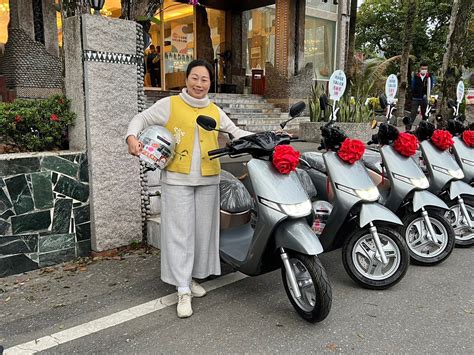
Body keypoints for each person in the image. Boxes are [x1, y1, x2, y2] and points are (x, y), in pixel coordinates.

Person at [126, 59, 251, 319]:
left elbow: (235, 131)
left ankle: (191, 278)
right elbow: (141, 118)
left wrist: (263, 138)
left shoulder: (215, 110)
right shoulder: (170, 105)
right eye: (195, 78)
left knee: (201, 233)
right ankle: (182, 289)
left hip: (208, 180)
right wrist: (132, 137)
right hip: (177, 180)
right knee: (180, 233)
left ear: (210, 83)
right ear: (186, 79)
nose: (199, 83)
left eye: (204, 79)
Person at [408, 61, 433, 130]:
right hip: (416, 98)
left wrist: (427, 96)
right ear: (420, 68)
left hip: (425, 98)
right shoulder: (416, 76)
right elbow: (412, 86)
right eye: (423, 68)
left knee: (424, 114)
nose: (424, 70)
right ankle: (408, 128)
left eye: (425, 69)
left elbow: (431, 86)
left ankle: (423, 128)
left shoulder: (429, 77)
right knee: (413, 114)